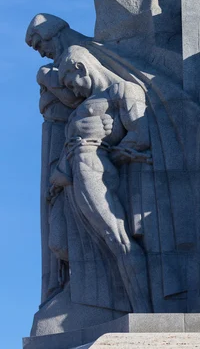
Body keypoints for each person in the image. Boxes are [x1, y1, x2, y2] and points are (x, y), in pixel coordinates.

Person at [50, 45, 152, 313]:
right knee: (60, 244)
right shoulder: (86, 104)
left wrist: (104, 142)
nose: (72, 91)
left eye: (70, 82)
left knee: (118, 239)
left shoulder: (123, 91)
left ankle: (143, 310)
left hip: (91, 166)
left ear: (81, 68)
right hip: (73, 174)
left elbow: (141, 135)